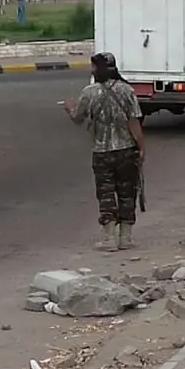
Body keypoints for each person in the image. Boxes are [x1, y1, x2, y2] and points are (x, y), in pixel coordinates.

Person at [66, 52, 146, 251]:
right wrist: (141, 147)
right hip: (126, 150)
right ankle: (126, 238)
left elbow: (78, 118)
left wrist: (69, 109)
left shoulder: (89, 92)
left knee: (106, 193)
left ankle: (109, 239)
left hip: (102, 152)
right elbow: (134, 121)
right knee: (127, 193)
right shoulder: (127, 90)